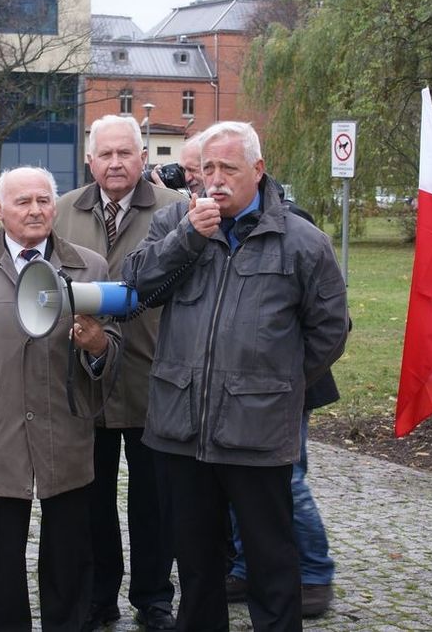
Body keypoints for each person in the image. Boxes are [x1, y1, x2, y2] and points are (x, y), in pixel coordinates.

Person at [123, 121, 349, 631]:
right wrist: (187, 239)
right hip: (181, 426)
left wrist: (275, 380)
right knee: (197, 563)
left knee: (271, 559)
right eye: (207, 169)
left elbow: (330, 329)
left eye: (229, 168)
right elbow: (137, 287)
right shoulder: (175, 223)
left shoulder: (301, 241)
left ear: (258, 170)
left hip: (258, 427)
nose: (216, 180)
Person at [0, 166, 122, 632]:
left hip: (67, 430)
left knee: (69, 555)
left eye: (44, 200)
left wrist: (97, 345)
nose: (36, 210)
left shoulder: (90, 266)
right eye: (23, 202)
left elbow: (114, 354)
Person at [54, 115, 183, 631]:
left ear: (143, 158)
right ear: (90, 160)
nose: (114, 163)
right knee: (91, 499)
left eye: (124, 154)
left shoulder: (176, 210)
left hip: (156, 375)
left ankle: (154, 597)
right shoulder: (63, 211)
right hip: (88, 377)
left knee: (153, 500)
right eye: (104, 155)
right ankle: (98, 596)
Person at [227, 185, 341, 619]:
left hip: (285, 388)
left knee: (287, 479)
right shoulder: (207, 225)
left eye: (219, 169)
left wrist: (285, 378)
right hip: (237, 386)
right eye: (200, 172)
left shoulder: (295, 224)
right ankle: (243, 566)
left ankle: (314, 573)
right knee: (237, 475)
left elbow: (329, 325)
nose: (205, 181)